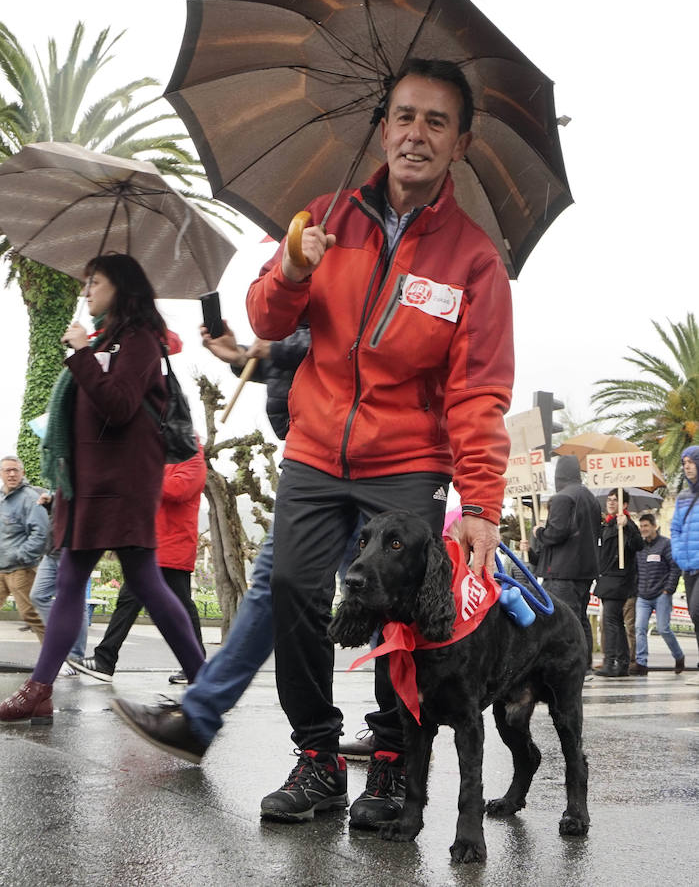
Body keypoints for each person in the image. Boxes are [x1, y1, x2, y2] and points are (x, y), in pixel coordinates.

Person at [244, 57, 513, 827]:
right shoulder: (324, 215)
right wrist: (293, 269)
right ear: (382, 126)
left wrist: (481, 505)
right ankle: (318, 758)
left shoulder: (473, 259)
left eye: (436, 121)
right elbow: (265, 319)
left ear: (459, 142)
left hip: (408, 462)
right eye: (403, 117)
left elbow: (479, 390)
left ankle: (393, 763)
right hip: (314, 448)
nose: (415, 134)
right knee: (292, 588)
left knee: (402, 609)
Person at [0, 254, 205, 724]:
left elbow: (118, 404)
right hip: (90, 483)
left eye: (95, 281)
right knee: (75, 581)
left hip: (120, 483)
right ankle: (40, 690)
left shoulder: (139, 340)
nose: (87, 290)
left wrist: (79, 354)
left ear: (121, 288)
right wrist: (86, 352)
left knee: (146, 583)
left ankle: (205, 682)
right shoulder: (108, 340)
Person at [110, 324, 312, 758]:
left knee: (383, 595)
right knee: (272, 586)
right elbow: (307, 363)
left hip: (379, 455)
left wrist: (276, 348)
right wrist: (243, 357)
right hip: (310, 451)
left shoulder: (188, 451)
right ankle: (202, 717)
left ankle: (398, 736)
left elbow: (347, 341)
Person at [70, 442, 208, 684]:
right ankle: (195, 668)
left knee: (178, 606)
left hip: (172, 546)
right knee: (134, 601)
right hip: (149, 544)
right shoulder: (157, 456)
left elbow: (179, 489)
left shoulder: (193, 457)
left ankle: (106, 660)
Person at [523, 455, 600, 673]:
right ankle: (584, 664)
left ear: (559, 474)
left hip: (562, 571)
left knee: (562, 620)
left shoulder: (562, 498)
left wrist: (540, 532)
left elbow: (556, 533)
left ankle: (569, 667)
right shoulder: (591, 499)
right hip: (585, 571)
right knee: (580, 618)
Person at [29, 491, 88, 674]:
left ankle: (75, 657)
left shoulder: (84, 479)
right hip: (52, 550)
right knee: (38, 595)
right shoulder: (63, 481)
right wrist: (52, 501)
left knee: (75, 603)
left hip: (72, 551)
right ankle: (62, 645)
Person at [593, 490, 643, 677]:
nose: (611, 503)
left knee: (610, 621)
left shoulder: (627, 523)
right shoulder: (608, 524)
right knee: (616, 621)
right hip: (607, 578)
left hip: (619, 579)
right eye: (609, 499)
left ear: (625, 505)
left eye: (616, 500)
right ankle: (622, 663)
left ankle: (611, 661)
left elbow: (638, 545)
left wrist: (627, 527)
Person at [0, 455, 49, 644]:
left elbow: (41, 533)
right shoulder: (2, 498)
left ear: (23, 472)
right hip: (1, 568)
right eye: (7, 470)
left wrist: (21, 556)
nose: (12, 474)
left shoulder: (30, 498)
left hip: (21, 569)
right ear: (1, 474)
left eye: (15, 470)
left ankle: (57, 655)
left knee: (31, 615)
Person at [632, 512, 683, 675]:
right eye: (641, 526)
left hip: (661, 594)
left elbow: (675, 568)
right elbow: (635, 570)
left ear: (655, 526)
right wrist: (636, 588)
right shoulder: (639, 547)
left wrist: (668, 589)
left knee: (663, 629)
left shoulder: (665, 544)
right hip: (643, 595)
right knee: (639, 628)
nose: (643, 529)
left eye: (646, 525)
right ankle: (641, 663)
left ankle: (679, 656)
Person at [670, 445, 699, 666]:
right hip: (688, 566)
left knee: (697, 611)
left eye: (691, 462)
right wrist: (679, 555)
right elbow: (675, 529)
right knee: (694, 615)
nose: (687, 467)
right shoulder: (683, 497)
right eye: (684, 463)